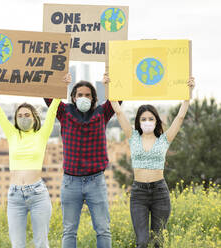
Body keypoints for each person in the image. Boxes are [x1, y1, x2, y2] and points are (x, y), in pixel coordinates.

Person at [0, 72, 68, 248]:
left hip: (38, 194)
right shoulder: (12, 134)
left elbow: (54, 108)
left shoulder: (42, 134)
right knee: (17, 245)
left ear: (34, 118)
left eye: (27, 115)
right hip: (15, 195)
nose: (23, 118)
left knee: (41, 243)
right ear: (15, 119)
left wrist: (63, 85)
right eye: (20, 115)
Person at [109, 75, 195, 248]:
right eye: (143, 119)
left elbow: (179, 118)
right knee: (141, 242)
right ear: (138, 122)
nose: (147, 122)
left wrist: (188, 94)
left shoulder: (164, 139)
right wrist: (109, 87)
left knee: (158, 242)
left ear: (156, 121)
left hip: (159, 193)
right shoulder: (133, 137)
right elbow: (118, 112)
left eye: (150, 119)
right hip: (139, 194)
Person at [44, 74, 117, 248]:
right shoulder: (64, 112)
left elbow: (118, 98)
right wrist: (62, 83)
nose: (83, 98)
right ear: (73, 97)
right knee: (69, 230)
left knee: (103, 229)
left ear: (93, 98)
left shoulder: (102, 113)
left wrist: (110, 85)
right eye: (79, 95)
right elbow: (48, 96)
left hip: (96, 181)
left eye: (87, 95)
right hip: (71, 182)